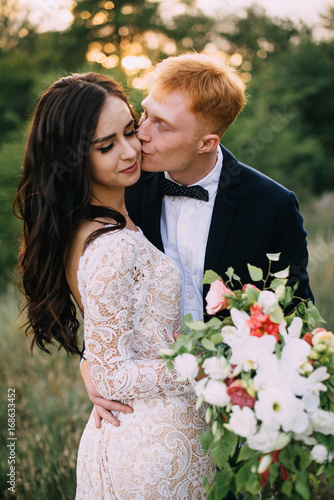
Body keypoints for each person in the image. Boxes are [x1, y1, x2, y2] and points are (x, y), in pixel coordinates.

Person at [82, 53, 314, 432]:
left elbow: (296, 314)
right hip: (143, 410)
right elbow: (94, 285)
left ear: (207, 142)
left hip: (238, 410)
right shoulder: (124, 185)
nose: (141, 134)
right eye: (145, 114)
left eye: (163, 126)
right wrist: (88, 362)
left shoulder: (272, 206)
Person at [14, 72, 216, 499]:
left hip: (151, 433)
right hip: (151, 448)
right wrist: (211, 365)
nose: (129, 152)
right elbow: (111, 371)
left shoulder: (93, 221)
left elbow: (107, 348)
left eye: (130, 131)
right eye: (106, 146)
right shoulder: (112, 247)